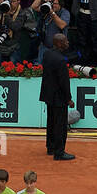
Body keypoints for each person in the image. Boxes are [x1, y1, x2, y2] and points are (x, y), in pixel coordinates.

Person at [39, 32, 75, 160]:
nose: (68, 43)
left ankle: (51, 147)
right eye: (65, 41)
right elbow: (64, 82)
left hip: (49, 95)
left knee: (51, 122)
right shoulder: (60, 60)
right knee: (60, 125)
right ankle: (59, 153)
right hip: (59, 98)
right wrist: (69, 98)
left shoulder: (47, 54)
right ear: (59, 43)